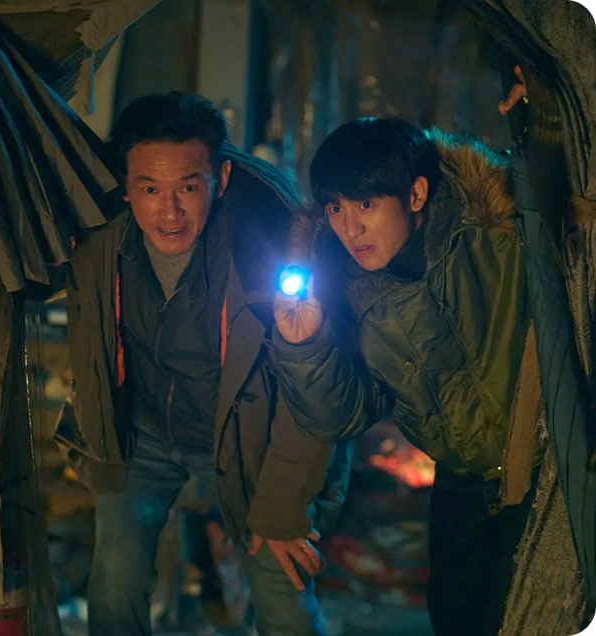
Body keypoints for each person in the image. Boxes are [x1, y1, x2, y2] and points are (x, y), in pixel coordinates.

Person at [268, 76, 583, 635]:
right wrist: (304, 345)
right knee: (457, 619)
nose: (349, 227)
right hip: (460, 480)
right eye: (336, 208)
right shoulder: (340, 287)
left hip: (552, 470)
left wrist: (547, 113)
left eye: (366, 204)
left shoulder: (498, 225)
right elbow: (342, 416)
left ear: (415, 195)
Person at [54, 92, 352, 636]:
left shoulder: (271, 246)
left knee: (283, 596)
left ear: (221, 178)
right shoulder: (99, 236)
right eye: (150, 189)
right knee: (114, 586)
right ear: (125, 186)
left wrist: (284, 509)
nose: (169, 213)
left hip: (245, 445)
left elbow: (315, 392)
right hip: (143, 434)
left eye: (188, 188)